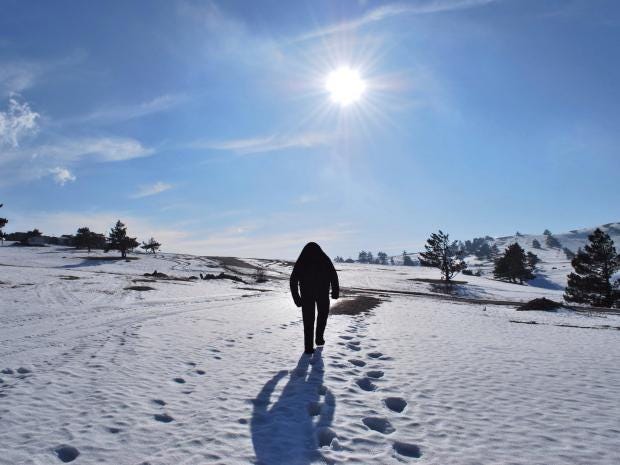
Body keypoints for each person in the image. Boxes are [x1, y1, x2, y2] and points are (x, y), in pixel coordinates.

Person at [290, 242, 339, 354]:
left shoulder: (302, 260)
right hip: (322, 294)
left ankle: (308, 347)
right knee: (322, 316)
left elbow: (293, 280)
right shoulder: (324, 258)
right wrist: (335, 292)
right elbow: (333, 275)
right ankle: (319, 339)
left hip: (307, 295)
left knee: (308, 321)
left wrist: (297, 299)